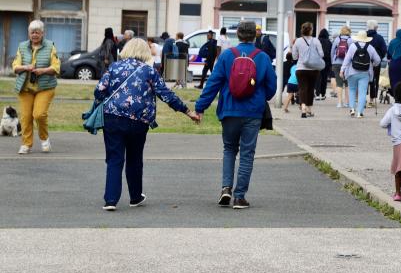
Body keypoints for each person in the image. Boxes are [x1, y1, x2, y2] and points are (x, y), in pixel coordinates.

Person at [95, 39, 199, 211]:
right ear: (145, 52)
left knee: (114, 158)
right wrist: (187, 111)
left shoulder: (114, 67)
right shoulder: (148, 71)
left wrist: (105, 100)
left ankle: (111, 200)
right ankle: (135, 196)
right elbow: (166, 94)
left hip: (112, 117)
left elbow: (99, 90)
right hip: (138, 120)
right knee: (135, 159)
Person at [195, 21, 278, 209]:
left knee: (229, 149)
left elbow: (213, 84)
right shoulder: (262, 57)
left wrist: (200, 108)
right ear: (255, 36)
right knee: (247, 153)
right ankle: (240, 197)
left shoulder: (226, 56)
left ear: (238, 35)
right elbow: (272, 87)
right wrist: (259, 96)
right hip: (253, 112)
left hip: (229, 110)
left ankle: (225, 188)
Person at [12, 20, 60, 155]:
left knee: (39, 114)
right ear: (29, 33)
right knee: (26, 117)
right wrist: (26, 67)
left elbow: (56, 67)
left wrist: (43, 71)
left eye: (37, 32)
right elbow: (15, 67)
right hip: (25, 88)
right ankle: (26, 144)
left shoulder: (50, 46)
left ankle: (45, 139)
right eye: (32, 32)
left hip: (45, 87)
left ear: (42, 33)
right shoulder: (22, 46)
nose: (34, 35)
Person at [341, 31, 382, 118]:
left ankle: (352, 109)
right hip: (365, 73)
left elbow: (347, 59)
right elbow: (378, 60)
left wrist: (342, 70)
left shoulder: (352, 46)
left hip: (352, 72)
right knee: (362, 92)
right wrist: (372, 65)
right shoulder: (370, 47)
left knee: (352, 90)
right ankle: (360, 112)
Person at [291, 22, 325, 118]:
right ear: (311, 30)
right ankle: (309, 109)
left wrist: (302, 56)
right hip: (314, 69)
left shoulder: (297, 41)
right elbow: (321, 54)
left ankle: (303, 108)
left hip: (301, 68)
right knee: (311, 89)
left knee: (302, 88)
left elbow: (294, 56)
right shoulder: (316, 41)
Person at [366, 20, 388, 108]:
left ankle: (362, 99)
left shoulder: (364, 36)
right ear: (376, 27)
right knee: (374, 81)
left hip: (363, 62)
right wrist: (379, 57)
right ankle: (372, 100)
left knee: (363, 81)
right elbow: (384, 50)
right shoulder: (379, 38)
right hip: (375, 63)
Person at [330, 26, 353, 108]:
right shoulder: (351, 40)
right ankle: (347, 103)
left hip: (336, 63)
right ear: (349, 32)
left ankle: (339, 103)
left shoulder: (337, 39)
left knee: (339, 84)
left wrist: (332, 62)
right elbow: (352, 53)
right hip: (347, 64)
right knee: (347, 84)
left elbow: (332, 51)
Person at [386, 29, 401, 93]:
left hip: (393, 65)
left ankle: (395, 97)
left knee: (393, 81)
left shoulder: (392, 42)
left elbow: (388, 55)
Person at [316, 29, 333, 100]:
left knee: (317, 78)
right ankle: (323, 94)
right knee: (324, 78)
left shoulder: (317, 41)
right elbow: (331, 53)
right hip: (327, 63)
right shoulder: (329, 42)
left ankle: (317, 94)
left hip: (317, 62)